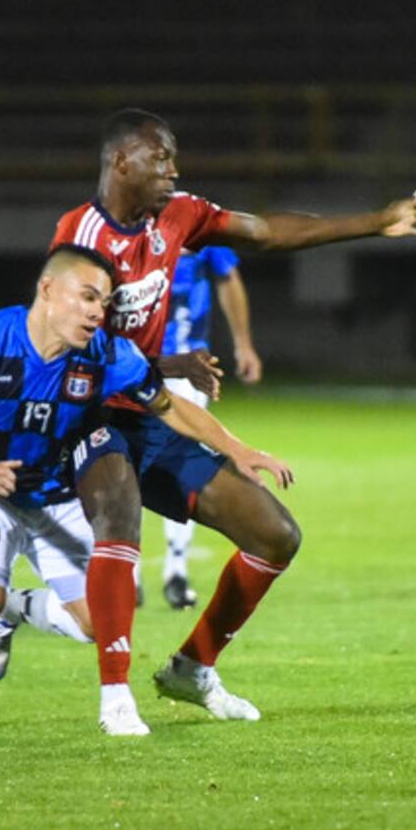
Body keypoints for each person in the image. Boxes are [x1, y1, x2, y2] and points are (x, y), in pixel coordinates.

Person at [21, 108, 416, 730]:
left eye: (173, 159)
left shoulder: (179, 215)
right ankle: (115, 698)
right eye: (160, 158)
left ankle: (192, 667)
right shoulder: (77, 236)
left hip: (153, 412)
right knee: (120, 513)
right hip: (84, 413)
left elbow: (264, 231)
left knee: (276, 535)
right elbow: (62, 346)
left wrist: (375, 223)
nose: (173, 170)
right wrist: (166, 360)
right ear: (121, 162)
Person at [0, 244, 292, 737]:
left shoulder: (107, 355)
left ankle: (14, 608)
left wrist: (238, 449)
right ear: (48, 290)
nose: (99, 310)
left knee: (100, 623)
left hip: (55, 496)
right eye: (88, 296)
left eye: (105, 301)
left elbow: (171, 407)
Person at [157, 246, 261, 609]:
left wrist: (243, 344)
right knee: (122, 460)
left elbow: (229, 278)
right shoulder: (129, 227)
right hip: (137, 364)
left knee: (182, 468)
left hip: (189, 368)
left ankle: (176, 570)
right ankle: (129, 571)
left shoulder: (201, 226)